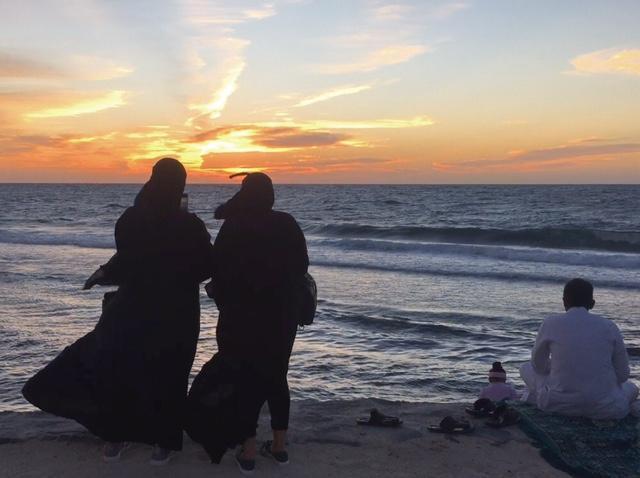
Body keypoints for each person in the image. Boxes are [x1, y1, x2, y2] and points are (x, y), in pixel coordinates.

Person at [22, 158, 214, 464]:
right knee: (170, 374)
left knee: (123, 370)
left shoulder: (131, 218)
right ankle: (162, 445)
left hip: (133, 308)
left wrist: (103, 273)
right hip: (177, 312)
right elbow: (207, 266)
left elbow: (124, 262)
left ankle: (114, 439)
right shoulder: (189, 224)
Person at [198, 172, 309, 473]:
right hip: (281, 316)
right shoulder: (286, 223)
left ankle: (247, 451)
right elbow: (301, 266)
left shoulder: (234, 226)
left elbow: (215, 268)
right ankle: (279, 447)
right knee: (277, 376)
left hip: (239, 315)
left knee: (243, 379)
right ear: (270, 195)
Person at [520, 278, 639, 420]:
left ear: (564, 301)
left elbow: (538, 367)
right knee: (632, 387)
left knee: (525, 368)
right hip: (606, 410)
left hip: (557, 405)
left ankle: (535, 396)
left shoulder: (551, 323)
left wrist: (556, 369)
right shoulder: (609, 326)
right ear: (592, 304)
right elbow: (623, 375)